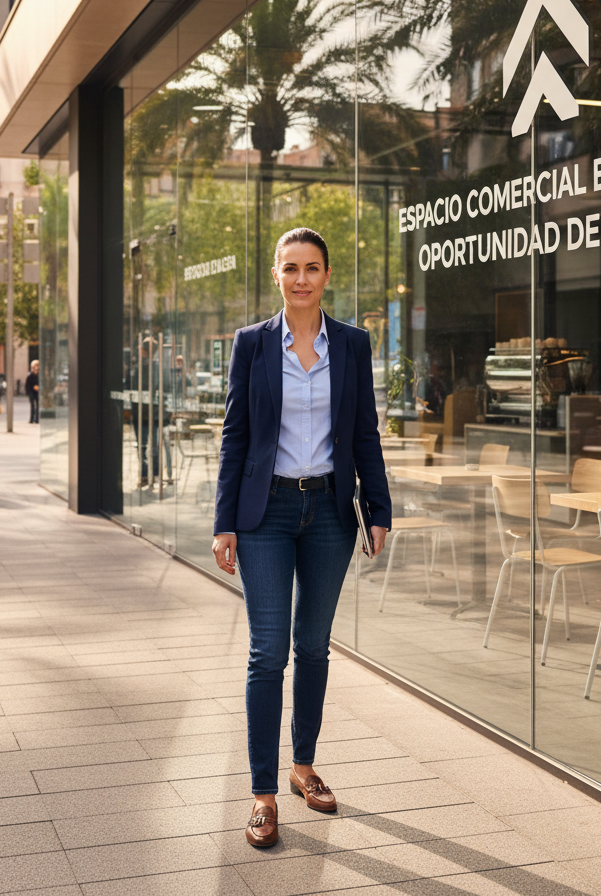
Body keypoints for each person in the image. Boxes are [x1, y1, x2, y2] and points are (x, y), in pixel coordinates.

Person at [212, 227, 391, 849]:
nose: (301, 279)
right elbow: (235, 437)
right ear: (276, 275)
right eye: (291, 268)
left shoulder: (352, 344)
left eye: (312, 267)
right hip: (266, 514)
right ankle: (263, 795)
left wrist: (379, 508)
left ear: (327, 274)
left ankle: (304, 767)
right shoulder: (252, 345)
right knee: (269, 653)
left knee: (313, 647)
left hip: (331, 515)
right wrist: (223, 521)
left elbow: (364, 432)